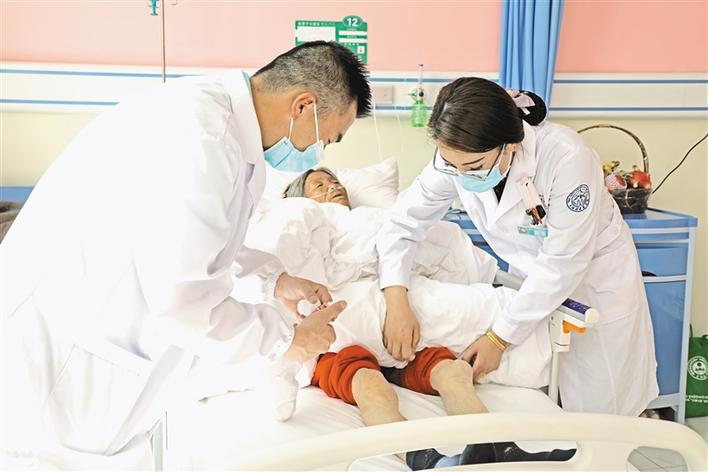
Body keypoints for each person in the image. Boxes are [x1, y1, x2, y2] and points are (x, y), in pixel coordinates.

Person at [0, 41, 371, 469]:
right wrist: (288, 339)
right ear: (302, 106)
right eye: (326, 138)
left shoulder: (223, 129)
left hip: (92, 370)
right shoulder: (203, 137)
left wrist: (275, 281)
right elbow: (186, 302)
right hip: (58, 372)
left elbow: (201, 239)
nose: (319, 152)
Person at [376, 77, 658, 417]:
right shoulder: (457, 156)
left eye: (473, 168)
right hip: (530, 282)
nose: (461, 175)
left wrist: (499, 338)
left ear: (511, 145)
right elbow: (402, 221)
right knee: (541, 390)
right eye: (452, 166)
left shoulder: (567, 157)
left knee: (604, 400)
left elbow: (564, 260)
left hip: (595, 282)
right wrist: (396, 298)